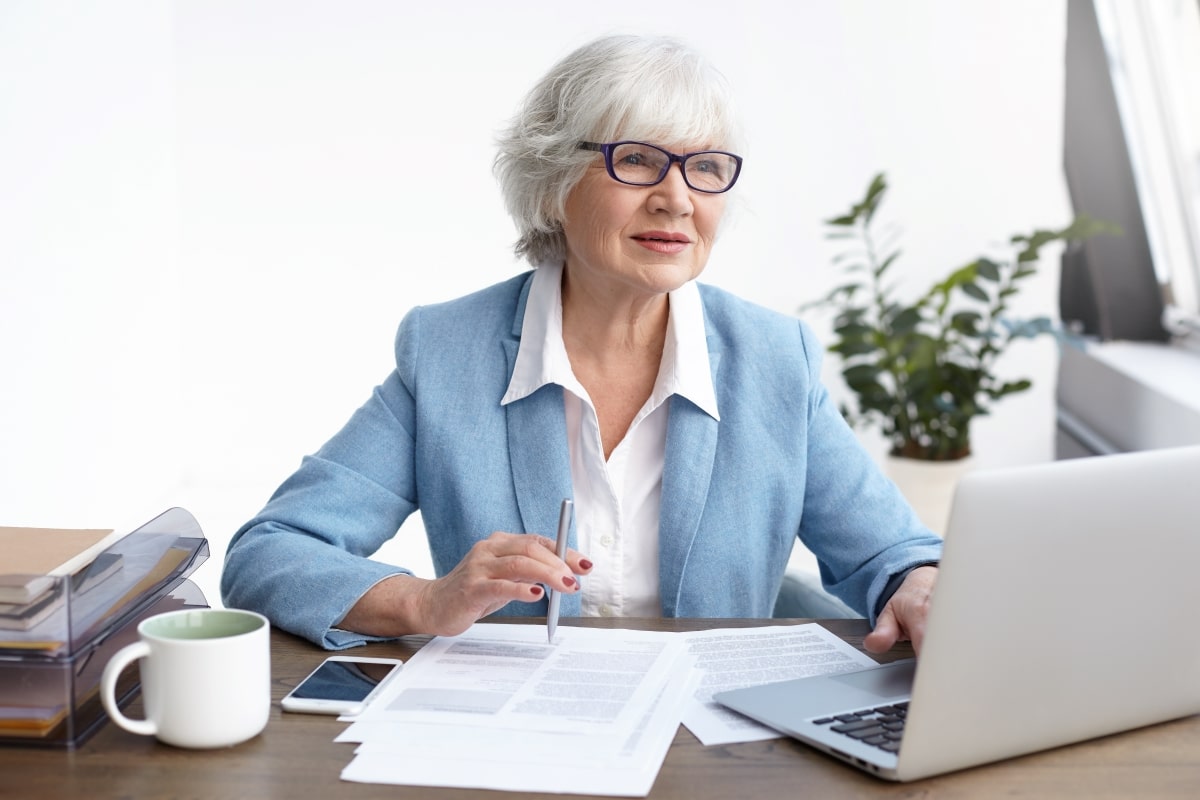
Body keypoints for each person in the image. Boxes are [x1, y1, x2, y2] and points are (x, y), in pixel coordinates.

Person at [220, 34, 942, 655]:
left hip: (717, 745)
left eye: (707, 167)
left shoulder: (775, 358)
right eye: (637, 160)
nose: (677, 198)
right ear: (552, 182)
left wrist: (920, 588)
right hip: (523, 736)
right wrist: (425, 602)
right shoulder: (445, 353)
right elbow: (271, 550)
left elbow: (893, 553)